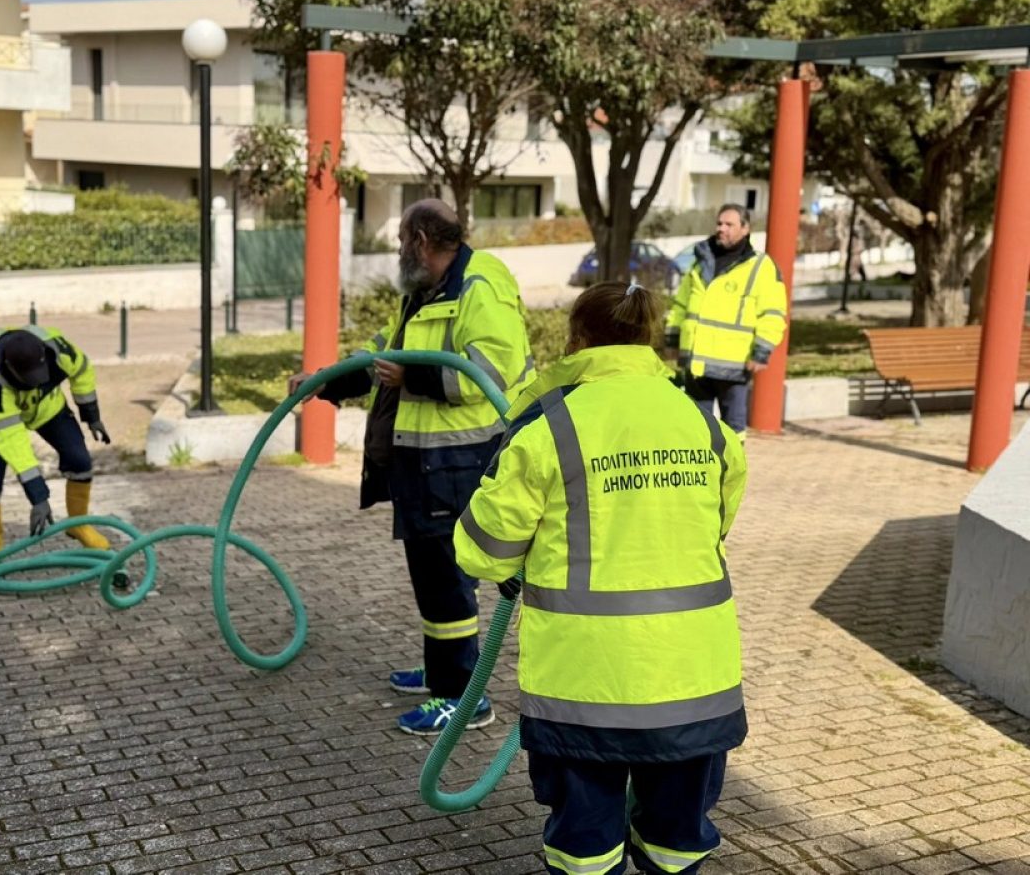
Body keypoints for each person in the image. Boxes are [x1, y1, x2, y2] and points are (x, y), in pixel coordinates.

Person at [455, 282, 747, 875]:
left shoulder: (549, 429)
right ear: (650, 338)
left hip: (586, 688)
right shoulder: (706, 426)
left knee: (585, 847)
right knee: (677, 840)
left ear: (577, 338)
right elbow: (716, 524)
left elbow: (483, 551)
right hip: (693, 679)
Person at [288, 199, 535, 734]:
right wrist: (324, 381)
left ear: (422, 239)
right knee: (431, 579)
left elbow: (488, 374)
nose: (399, 250)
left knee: (448, 581)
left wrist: (413, 379)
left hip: (456, 464)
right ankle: (441, 671)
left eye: (402, 240)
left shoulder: (479, 289)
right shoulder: (424, 294)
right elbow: (382, 356)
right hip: (422, 464)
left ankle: (461, 698)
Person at [0, 324, 113, 575]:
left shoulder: (59, 350)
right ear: (10, 368)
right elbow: (16, 446)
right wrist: (38, 497)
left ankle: (79, 525)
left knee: (80, 460)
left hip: (48, 409)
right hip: (3, 423)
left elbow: (83, 370)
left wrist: (91, 416)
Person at [664, 203, 788, 435]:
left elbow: (773, 314)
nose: (722, 228)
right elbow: (681, 304)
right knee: (696, 429)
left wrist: (761, 352)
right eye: (719, 223)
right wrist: (672, 339)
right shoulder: (700, 261)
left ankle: (732, 470)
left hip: (733, 364)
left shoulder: (761, 267)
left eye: (729, 224)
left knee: (733, 429)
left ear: (745, 228)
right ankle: (703, 471)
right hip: (695, 361)